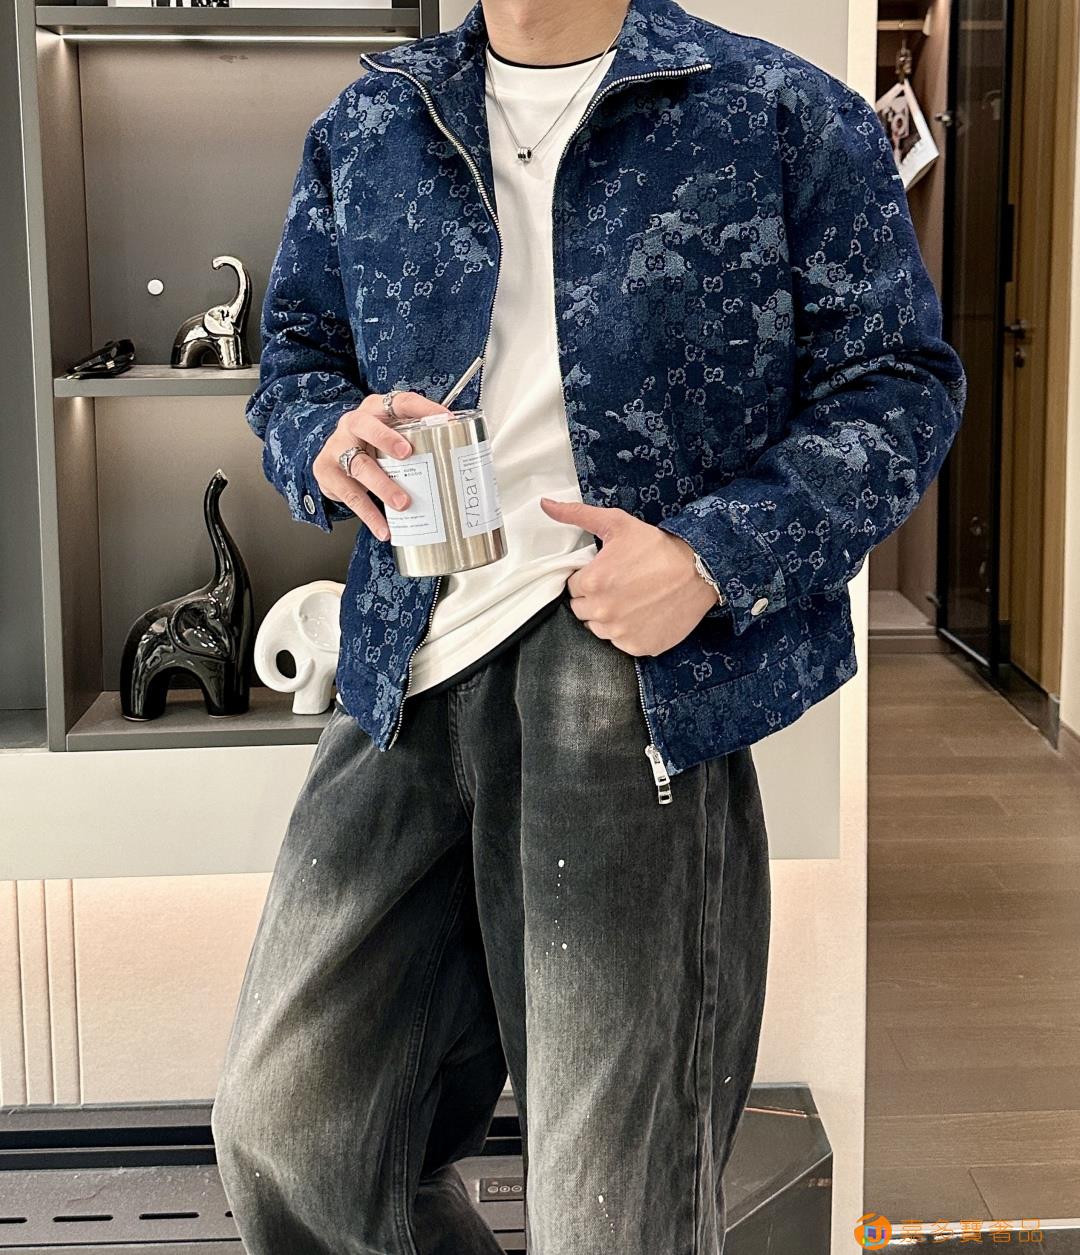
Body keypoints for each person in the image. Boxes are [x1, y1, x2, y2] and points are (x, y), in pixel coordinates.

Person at [210, 0, 967, 1250]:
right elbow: (295, 355)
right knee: (286, 1133)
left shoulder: (778, 114)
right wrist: (323, 438)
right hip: (408, 661)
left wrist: (714, 559)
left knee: (611, 1210)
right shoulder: (376, 119)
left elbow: (898, 387)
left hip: (625, 682)